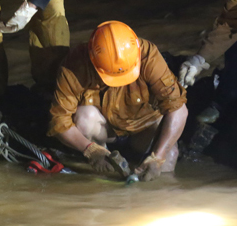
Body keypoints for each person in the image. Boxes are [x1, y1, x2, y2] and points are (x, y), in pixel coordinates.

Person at [47, 21, 188, 181]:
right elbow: (59, 122)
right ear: (92, 59)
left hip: (144, 128)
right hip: (104, 130)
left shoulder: (147, 55)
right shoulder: (75, 64)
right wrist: (90, 150)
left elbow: (178, 109)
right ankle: (103, 164)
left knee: (169, 157)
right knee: (84, 117)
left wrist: (158, 157)